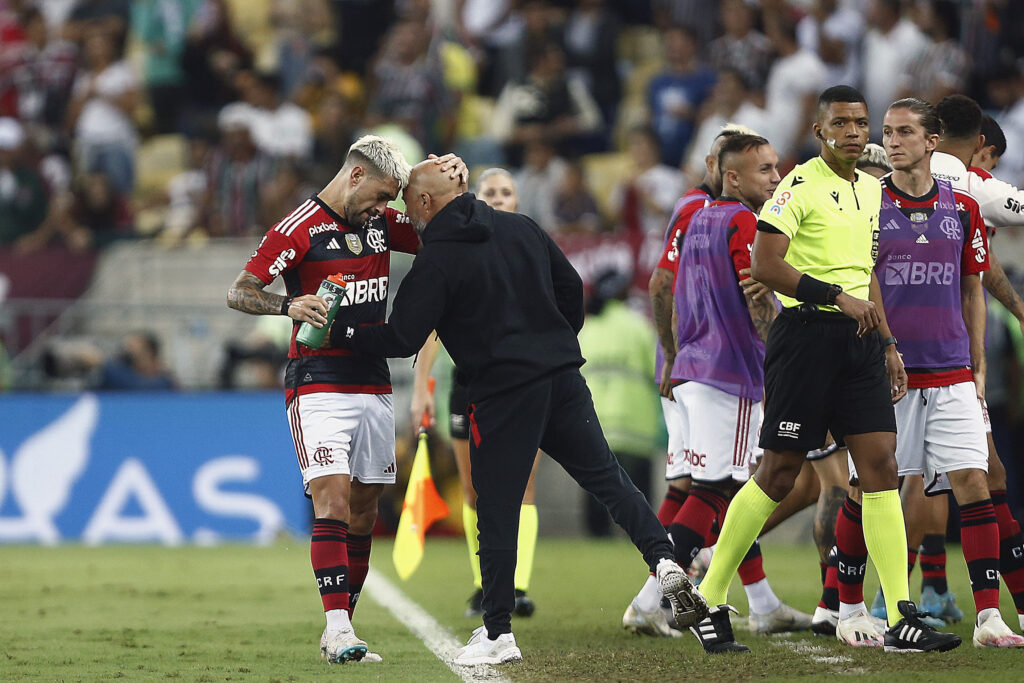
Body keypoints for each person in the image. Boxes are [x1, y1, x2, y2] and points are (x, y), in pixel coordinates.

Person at [328, 160, 708, 666]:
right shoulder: (522, 226)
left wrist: (340, 330)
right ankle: (664, 562)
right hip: (562, 378)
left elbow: (400, 338)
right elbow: (573, 289)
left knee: (497, 510)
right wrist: (550, 343)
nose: (403, 212)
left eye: (406, 202)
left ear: (424, 203)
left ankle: (498, 633)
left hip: (503, 393)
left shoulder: (436, 259)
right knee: (609, 480)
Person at [690, 85, 961, 654]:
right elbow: (767, 263)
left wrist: (888, 342)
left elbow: (870, 274)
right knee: (781, 472)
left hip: (861, 341)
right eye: (842, 123)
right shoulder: (797, 186)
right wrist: (838, 298)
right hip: (806, 337)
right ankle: (710, 600)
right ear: (820, 132)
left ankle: (902, 613)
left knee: (881, 466)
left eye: (862, 123)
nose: (855, 132)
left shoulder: (870, 188)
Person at [226, 135, 468, 665]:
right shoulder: (299, 229)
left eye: (390, 201)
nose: (384, 210)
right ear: (354, 177)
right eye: (380, 197)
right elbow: (239, 291)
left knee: (364, 510)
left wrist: (454, 182)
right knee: (331, 498)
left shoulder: (380, 223)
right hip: (317, 378)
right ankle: (337, 629)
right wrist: (288, 305)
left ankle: (344, 621)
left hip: (374, 378)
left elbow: (442, 230)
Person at [855, 97, 1021, 647]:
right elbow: (864, 281)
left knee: (974, 484)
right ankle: (850, 607)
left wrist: (977, 363)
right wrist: (884, 346)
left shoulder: (964, 207)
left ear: (932, 141)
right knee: (869, 492)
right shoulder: (868, 206)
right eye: (887, 132)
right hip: (891, 373)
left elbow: (973, 286)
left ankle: (988, 616)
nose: (893, 141)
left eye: (905, 132)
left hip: (951, 373)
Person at [669, 132, 814, 641]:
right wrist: (787, 357)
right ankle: (672, 585)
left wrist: (675, 356)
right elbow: (756, 298)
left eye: (776, 168)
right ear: (733, 177)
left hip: (693, 366)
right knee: (720, 490)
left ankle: (711, 609)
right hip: (729, 372)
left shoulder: (699, 217)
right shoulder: (744, 222)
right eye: (765, 170)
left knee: (722, 491)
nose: (776, 178)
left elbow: (675, 292)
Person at [409, 167, 541, 620]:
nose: (500, 198)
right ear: (474, 199)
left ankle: (517, 586)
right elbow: (430, 326)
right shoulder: (454, 248)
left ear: (517, 201)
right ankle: (485, 584)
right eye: (491, 192)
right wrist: (421, 388)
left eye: (508, 191)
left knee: (523, 486)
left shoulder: (529, 242)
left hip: (522, 382)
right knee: (472, 490)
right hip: (467, 383)